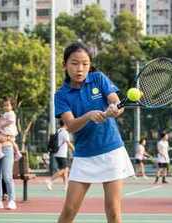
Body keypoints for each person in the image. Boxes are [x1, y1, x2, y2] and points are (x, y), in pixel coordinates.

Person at [54, 42, 134, 223]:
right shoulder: (60, 95)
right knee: (68, 211)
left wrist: (115, 108)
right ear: (64, 65)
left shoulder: (98, 78)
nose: (80, 69)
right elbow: (71, 125)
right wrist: (89, 116)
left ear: (90, 65)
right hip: (84, 156)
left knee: (113, 212)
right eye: (74, 63)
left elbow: (115, 102)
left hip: (111, 151)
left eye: (85, 63)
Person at [46, 120, 75, 191]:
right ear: (65, 123)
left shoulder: (58, 131)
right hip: (61, 154)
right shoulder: (65, 132)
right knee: (64, 169)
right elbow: (68, 143)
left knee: (66, 170)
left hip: (58, 153)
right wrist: (75, 150)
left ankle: (66, 186)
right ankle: (50, 181)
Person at [0, 97, 22, 161]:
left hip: (8, 130)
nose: (5, 107)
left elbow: (10, 121)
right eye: (4, 105)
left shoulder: (11, 113)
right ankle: (17, 152)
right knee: (12, 141)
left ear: (12, 106)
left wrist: (2, 125)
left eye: (7, 105)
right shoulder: (6, 113)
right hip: (8, 130)